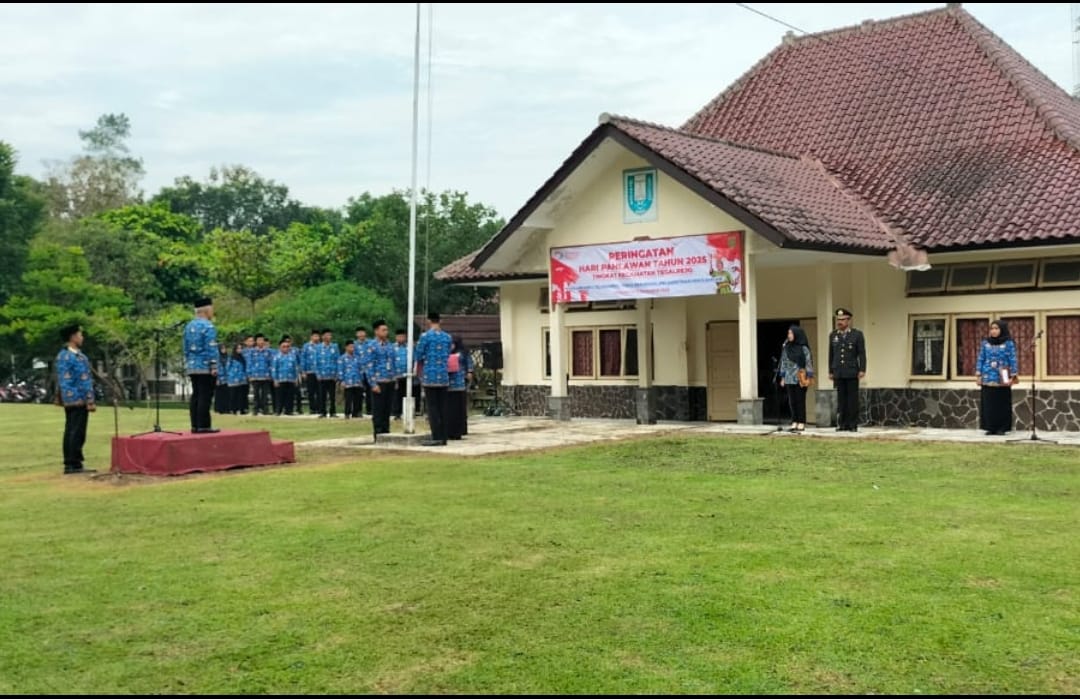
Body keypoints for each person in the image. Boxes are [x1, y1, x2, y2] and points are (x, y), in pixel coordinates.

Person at [56, 324, 97, 475]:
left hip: (81, 397)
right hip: (76, 399)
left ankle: (75, 461)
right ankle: (72, 463)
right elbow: (68, 381)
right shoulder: (66, 356)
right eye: (80, 335)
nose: (82, 337)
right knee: (74, 431)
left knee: (77, 431)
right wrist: (86, 399)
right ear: (72, 337)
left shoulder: (79, 355)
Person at [414, 312, 453, 446]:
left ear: (429, 321)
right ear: (440, 321)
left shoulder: (425, 337)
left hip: (430, 376)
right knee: (443, 407)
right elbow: (448, 353)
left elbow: (418, 355)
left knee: (433, 408)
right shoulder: (447, 337)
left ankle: (436, 436)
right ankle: (444, 436)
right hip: (443, 376)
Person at [183, 296, 219, 433]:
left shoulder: (189, 326)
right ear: (207, 310)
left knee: (196, 395)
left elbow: (185, 347)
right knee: (205, 395)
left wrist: (189, 360)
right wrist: (214, 365)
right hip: (205, 366)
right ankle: (204, 425)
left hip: (192, 365)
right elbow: (211, 347)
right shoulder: (208, 326)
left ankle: (195, 425)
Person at [976, 319, 1018, 436]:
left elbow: (1013, 359)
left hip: (1003, 376)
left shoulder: (1009, 343)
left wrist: (1013, 376)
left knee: (1002, 403)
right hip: (988, 376)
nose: (993, 331)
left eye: (996, 328)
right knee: (989, 403)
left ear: (1002, 330)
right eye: (992, 328)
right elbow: (981, 358)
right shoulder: (985, 343)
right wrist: (978, 375)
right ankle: (990, 427)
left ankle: (1002, 428)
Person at [828, 307, 866, 432]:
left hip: (851, 371)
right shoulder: (833, 335)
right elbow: (831, 354)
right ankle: (842, 424)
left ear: (848, 321)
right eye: (838, 320)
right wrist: (830, 370)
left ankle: (852, 424)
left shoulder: (857, 335)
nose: (840, 322)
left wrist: (862, 369)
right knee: (841, 399)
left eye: (843, 320)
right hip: (838, 371)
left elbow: (861, 353)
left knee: (852, 399)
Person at [779, 325, 814, 433]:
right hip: (789, 377)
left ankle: (801, 422)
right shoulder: (786, 347)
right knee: (792, 401)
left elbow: (808, 363)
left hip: (800, 378)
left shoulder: (803, 348)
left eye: (791, 333)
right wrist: (783, 377)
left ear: (797, 334)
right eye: (788, 333)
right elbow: (783, 362)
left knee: (800, 401)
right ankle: (794, 421)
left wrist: (808, 377)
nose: (789, 335)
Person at [367, 320, 397, 437]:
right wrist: (373, 383)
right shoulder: (371, 346)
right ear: (376, 331)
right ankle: (378, 433)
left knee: (387, 409)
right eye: (383, 330)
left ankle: (386, 432)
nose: (386, 332)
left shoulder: (390, 346)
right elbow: (369, 366)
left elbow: (393, 363)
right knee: (378, 410)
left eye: (386, 330)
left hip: (389, 380)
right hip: (379, 381)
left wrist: (394, 379)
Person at [446, 336, 474, 440]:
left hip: (460, 381)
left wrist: (469, 372)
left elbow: (469, 362)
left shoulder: (463, 352)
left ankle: (461, 429)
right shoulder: (446, 351)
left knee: (460, 407)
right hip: (448, 383)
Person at [271, 335, 301, 416]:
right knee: (279, 396)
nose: (286, 348)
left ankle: (289, 410)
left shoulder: (292, 356)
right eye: (283, 347)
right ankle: (278, 410)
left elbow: (295, 368)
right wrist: (275, 379)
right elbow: (274, 369)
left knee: (290, 396)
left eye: (287, 347)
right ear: (280, 347)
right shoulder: (276, 357)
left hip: (291, 379)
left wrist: (296, 379)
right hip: (280, 379)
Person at [316, 328, 340, 418]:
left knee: (332, 395)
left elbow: (338, 360)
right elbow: (316, 361)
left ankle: (333, 411)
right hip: (322, 375)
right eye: (326, 335)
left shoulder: (334, 347)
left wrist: (337, 373)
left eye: (330, 335)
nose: (328, 337)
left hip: (332, 374)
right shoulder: (318, 348)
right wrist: (318, 373)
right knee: (322, 395)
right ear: (322, 337)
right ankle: (322, 412)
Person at [247, 334, 273, 416]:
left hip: (265, 375)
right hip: (255, 375)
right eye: (259, 340)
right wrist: (249, 374)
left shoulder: (268, 351)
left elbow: (271, 363)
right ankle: (255, 409)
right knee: (256, 393)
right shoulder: (252, 351)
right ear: (256, 341)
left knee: (265, 394)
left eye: (262, 340)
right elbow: (249, 363)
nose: (261, 342)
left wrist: (271, 374)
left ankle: (265, 409)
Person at [339, 340, 364, 418]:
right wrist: (342, 380)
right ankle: (347, 413)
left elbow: (361, 369)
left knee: (358, 398)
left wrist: (361, 379)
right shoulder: (342, 358)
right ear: (346, 347)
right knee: (348, 399)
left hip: (357, 381)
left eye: (353, 347)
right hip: (348, 382)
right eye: (350, 347)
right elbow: (340, 370)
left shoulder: (357, 358)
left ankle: (356, 413)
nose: (352, 348)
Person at [226, 343, 248, 414]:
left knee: (241, 395)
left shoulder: (243, 358)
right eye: (238, 348)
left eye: (241, 348)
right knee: (233, 395)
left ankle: (241, 409)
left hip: (242, 379)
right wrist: (231, 376)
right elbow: (228, 368)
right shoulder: (231, 358)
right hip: (233, 379)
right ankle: (233, 409)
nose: (239, 350)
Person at [392, 328, 409, 419]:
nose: (401, 338)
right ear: (396, 337)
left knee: (406, 394)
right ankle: (396, 413)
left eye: (403, 336)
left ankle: (405, 412)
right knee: (396, 394)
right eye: (399, 336)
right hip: (396, 375)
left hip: (407, 375)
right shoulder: (392, 347)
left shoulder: (409, 347)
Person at [214, 345, 230, 414]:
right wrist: (217, 378)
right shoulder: (217, 358)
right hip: (219, 379)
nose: (223, 350)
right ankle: (219, 409)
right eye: (222, 348)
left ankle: (227, 409)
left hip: (227, 379)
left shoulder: (228, 358)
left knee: (227, 394)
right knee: (219, 395)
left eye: (224, 348)